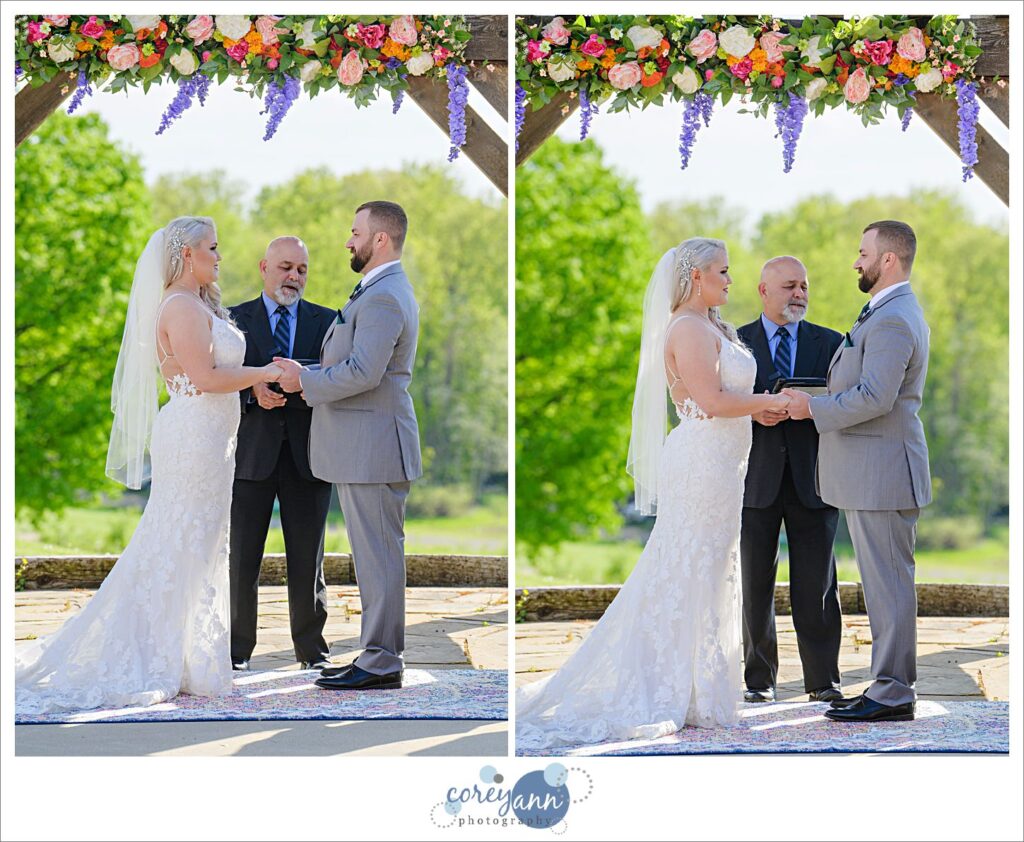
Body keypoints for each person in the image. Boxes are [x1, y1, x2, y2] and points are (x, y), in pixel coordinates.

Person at [515, 237, 790, 750]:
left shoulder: (711, 325)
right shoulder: (686, 328)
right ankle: (662, 688)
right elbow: (708, 401)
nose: (730, 280)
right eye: (722, 271)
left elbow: (727, 395)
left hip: (725, 466)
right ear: (695, 277)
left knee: (712, 567)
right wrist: (765, 404)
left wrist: (759, 406)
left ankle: (698, 690)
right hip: (701, 463)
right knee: (685, 565)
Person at [16, 216, 282, 713]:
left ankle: (189, 659)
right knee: (176, 541)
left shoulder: (200, 304)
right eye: (213, 248)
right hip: (192, 440)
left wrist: (254, 387)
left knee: (201, 545)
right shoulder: (179, 306)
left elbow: (219, 372)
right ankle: (151, 656)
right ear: (186, 255)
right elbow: (203, 377)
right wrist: (263, 371)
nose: (220, 257)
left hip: (215, 442)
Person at [785, 220, 931, 723]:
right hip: (874, 474)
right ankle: (887, 685)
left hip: (883, 475)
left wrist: (812, 410)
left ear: (887, 259)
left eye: (863, 252)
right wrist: (812, 400)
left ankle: (893, 693)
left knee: (888, 587)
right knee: (883, 586)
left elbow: (876, 397)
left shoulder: (892, 319)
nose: (856, 261)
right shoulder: (887, 311)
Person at [275, 201, 422, 692]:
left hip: (373, 447)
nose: (348, 240)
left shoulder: (383, 297)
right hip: (365, 446)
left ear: (380, 239)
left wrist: (304, 384)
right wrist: (307, 373)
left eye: (355, 231)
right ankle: (376, 654)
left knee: (379, 557)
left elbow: (364, 372)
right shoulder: (378, 289)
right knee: (373, 556)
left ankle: (382, 662)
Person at [736, 256, 844, 704]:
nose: (798, 293)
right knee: (754, 585)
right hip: (753, 479)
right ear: (764, 290)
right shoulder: (735, 342)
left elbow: (844, 404)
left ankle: (823, 682)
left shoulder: (833, 343)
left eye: (803, 286)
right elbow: (714, 405)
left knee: (817, 586)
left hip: (815, 479)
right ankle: (759, 682)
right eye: (788, 286)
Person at [228, 237, 336, 671]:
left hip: (309, 456)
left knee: (308, 559)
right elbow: (213, 382)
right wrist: (251, 394)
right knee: (241, 558)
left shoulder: (329, 322)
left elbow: (335, 382)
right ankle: (235, 652)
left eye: (302, 270)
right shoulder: (232, 319)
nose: (294, 276)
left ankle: (312, 652)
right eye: (286, 267)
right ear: (264, 267)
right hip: (249, 456)